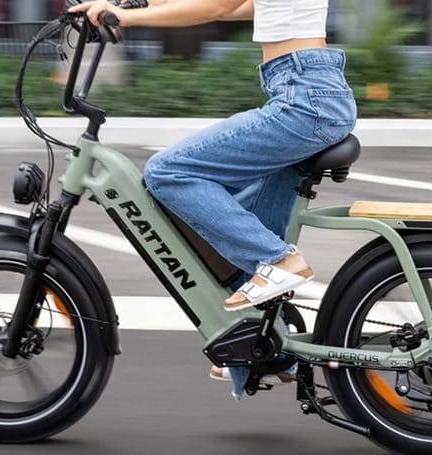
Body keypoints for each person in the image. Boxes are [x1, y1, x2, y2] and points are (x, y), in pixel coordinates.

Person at [70, 0, 357, 398]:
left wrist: (131, 18)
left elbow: (217, 3)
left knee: (168, 171)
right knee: (238, 243)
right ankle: (272, 352)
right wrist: (128, 5)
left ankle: (279, 260)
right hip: (303, 91)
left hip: (302, 99)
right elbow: (235, 6)